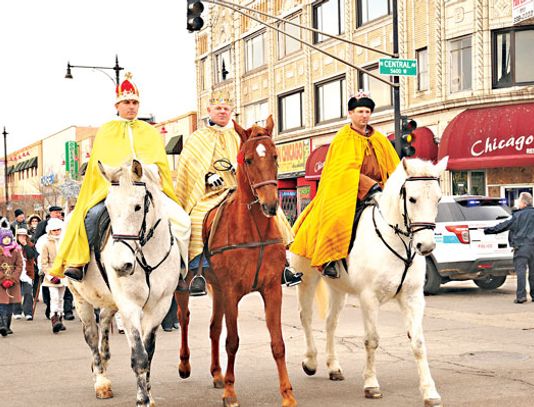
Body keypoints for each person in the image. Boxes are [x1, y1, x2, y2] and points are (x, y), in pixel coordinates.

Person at [49, 73, 190, 283]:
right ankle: (80, 262)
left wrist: (147, 169)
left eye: (134, 102)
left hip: (147, 191)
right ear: (118, 105)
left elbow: (160, 164)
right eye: (126, 102)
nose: (131, 106)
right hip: (115, 190)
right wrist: (118, 172)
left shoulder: (149, 132)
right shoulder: (107, 131)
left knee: (183, 220)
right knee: (92, 216)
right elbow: (100, 166)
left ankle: (178, 268)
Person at [175, 90, 301, 296]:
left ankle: (282, 263)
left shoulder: (241, 135)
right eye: (218, 108)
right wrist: (206, 176)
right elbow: (189, 166)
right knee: (197, 218)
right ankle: (198, 268)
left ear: (231, 111)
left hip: (239, 189)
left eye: (226, 108)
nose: (222, 112)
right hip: (212, 194)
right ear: (209, 111)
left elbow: (256, 160)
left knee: (273, 211)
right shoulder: (197, 138)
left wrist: (241, 165)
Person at [290, 91, 400, 278]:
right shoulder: (343, 137)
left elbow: (394, 165)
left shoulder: (379, 138)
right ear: (350, 113)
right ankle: (329, 259)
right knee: (337, 217)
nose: (364, 115)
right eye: (360, 111)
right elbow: (342, 171)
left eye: (367, 111)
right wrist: (370, 188)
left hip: (381, 189)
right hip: (349, 190)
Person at [484, 192, 534, 304]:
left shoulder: (517, 216)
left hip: (521, 247)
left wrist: (488, 230)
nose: (517, 203)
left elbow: (503, 226)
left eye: (519, 201)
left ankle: (521, 297)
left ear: (523, 202)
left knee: (521, 272)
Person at [40, 218, 67, 333]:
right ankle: (54, 319)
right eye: (54, 230)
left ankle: (60, 318)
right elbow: (44, 263)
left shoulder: (65, 242)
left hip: (63, 274)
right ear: (50, 230)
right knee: (54, 297)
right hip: (51, 274)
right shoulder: (46, 244)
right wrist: (51, 276)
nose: (56, 232)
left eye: (58, 230)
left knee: (61, 298)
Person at [0, 229, 23, 336]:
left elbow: (19, 265)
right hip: (1, 282)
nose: (6, 239)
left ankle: (8, 326)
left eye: (8, 237)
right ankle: (2, 325)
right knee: (2, 304)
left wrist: (13, 279)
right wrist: (3, 279)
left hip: (13, 281)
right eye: (4, 238)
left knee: (10, 304)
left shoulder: (16, 251)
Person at [12, 228, 37, 321]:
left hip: (27, 273)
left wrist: (25, 245)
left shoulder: (30, 245)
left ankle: (28, 312)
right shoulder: (12, 246)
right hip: (15, 273)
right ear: (17, 236)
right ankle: (17, 312)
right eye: (20, 235)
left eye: (23, 236)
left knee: (28, 292)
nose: (22, 237)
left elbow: (31, 255)